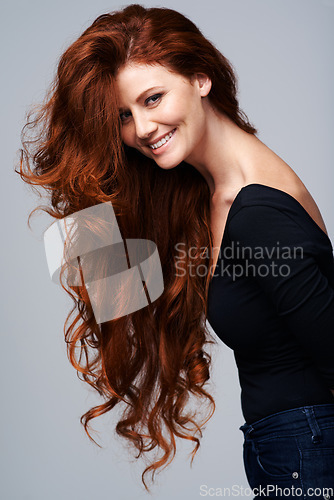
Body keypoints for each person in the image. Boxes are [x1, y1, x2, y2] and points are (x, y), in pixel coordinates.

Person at [16, 3, 334, 497]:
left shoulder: (256, 212)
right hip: (292, 446)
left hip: (308, 449)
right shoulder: (207, 194)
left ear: (201, 79)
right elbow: (117, 297)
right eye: (123, 115)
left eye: (153, 98)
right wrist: (87, 173)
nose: (142, 128)